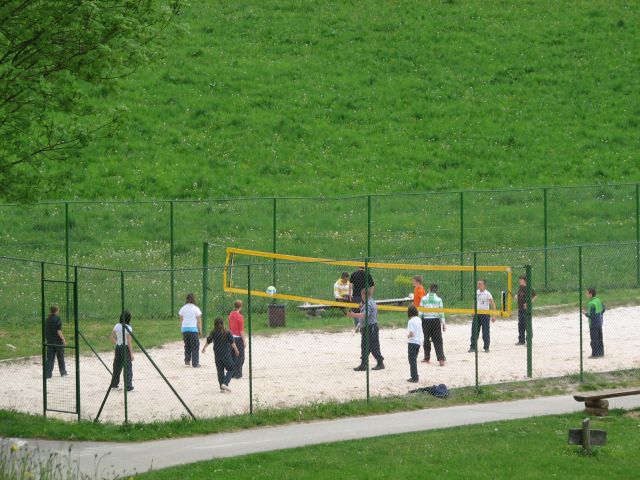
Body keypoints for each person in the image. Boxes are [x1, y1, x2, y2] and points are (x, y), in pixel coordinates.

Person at [347, 288, 385, 371]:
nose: (361, 297)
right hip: (367, 328)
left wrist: (353, 314)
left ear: (364, 295)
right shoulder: (368, 302)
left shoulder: (369, 304)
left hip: (371, 328)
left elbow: (364, 315)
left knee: (373, 347)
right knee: (364, 346)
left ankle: (380, 362)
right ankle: (363, 365)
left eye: (362, 295)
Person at [202, 317, 239, 392]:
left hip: (217, 354)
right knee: (231, 368)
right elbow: (232, 342)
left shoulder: (213, 332)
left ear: (214, 324)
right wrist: (236, 350)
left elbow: (208, 341)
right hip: (225, 354)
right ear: (223, 323)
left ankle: (222, 387)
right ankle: (225, 383)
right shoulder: (227, 332)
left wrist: (204, 348)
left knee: (220, 371)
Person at [420, 284, 446, 366]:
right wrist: (443, 323)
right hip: (435, 321)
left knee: (426, 339)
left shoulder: (423, 299)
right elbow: (441, 313)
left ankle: (427, 358)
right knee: (438, 340)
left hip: (426, 321)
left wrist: (419, 321)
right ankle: (441, 359)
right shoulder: (439, 299)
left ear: (429, 289)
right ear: (436, 290)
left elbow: (420, 312)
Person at [469, 279, 496, 353]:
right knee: (474, 331)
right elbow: (474, 301)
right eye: (478, 284)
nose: (478, 285)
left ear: (484, 285)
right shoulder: (477, 292)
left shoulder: (487, 294)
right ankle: (473, 347)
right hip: (477, 314)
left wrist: (494, 315)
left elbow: (493, 304)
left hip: (485, 315)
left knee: (485, 332)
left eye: (480, 284)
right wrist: (472, 310)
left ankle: (486, 347)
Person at [110, 310, 134, 391]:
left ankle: (114, 384)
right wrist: (131, 354)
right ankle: (128, 386)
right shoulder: (128, 328)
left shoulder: (117, 325)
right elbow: (129, 342)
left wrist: (117, 343)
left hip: (118, 347)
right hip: (125, 348)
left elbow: (111, 337)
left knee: (117, 366)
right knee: (127, 367)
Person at [179, 293, 202, 368]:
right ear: (194, 299)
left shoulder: (183, 308)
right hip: (193, 330)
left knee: (187, 345)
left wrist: (182, 330)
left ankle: (187, 360)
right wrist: (200, 330)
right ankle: (195, 363)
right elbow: (199, 321)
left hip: (185, 329)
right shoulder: (196, 308)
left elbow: (181, 320)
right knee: (195, 346)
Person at [45, 305, 67, 379]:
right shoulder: (57, 319)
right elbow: (59, 331)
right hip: (58, 341)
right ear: (57, 311)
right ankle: (63, 373)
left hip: (50, 341)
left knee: (50, 358)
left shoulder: (47, 319)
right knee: (60, 357)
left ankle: (48, 374)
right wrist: (63, 339)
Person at [515, 275, 537, 345]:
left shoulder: (529, 288)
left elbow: (535, 296)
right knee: (520, 324)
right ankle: (521, 340)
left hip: (526, 310)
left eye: (520, 280)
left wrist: (528, 303)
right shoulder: (520, 287)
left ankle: (529, 341)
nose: (519, 281)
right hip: (520, 309)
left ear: (524, 280)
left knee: (527, 325)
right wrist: (516, 297)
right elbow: (519, 296)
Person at [583, 288, 605, 358]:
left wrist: (584, 313)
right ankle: (601, 353)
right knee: (599, 338)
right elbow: (603, 309)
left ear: (590, 294)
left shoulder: (591, 304)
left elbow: (591, 316)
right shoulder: (598, 300)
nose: (586, 294)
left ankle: (595, 354)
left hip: (593, 324)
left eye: (587, 293)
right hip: (600, 322)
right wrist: (599, 315)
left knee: (594, 339)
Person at [228, 300, 246, 379]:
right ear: (241, 307)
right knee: (240, 356)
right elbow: (241, 331)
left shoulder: (230, 315)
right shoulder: (240, 317)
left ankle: (232, 373)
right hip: (238, 338)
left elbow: (230, 327)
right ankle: (238, 374)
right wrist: (244, 341)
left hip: (231, 337)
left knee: (232, 355)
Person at [406, 305, 423, 383]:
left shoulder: (410, 321)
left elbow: (412, 333)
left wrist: (408, 336)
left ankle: (414, 377)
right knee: (414, 359)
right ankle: (415, 376)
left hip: (412, 342)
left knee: (412, 360)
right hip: (418, 342)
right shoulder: (419, 319)